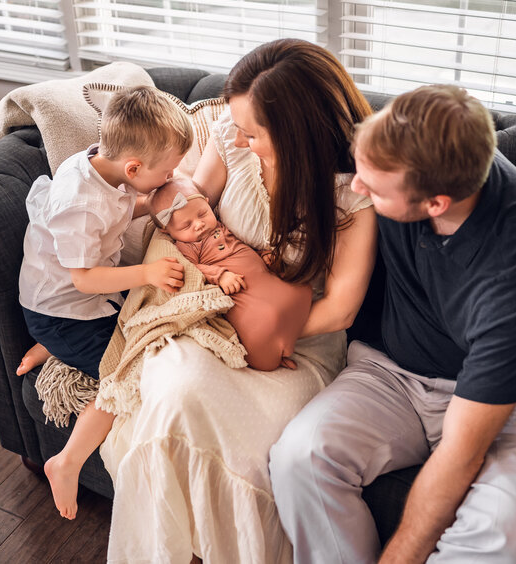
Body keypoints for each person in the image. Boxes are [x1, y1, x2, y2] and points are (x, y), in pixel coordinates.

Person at [99, 39, 377, 563]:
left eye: (254, 132)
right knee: (177, 390)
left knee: (219, 420)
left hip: (296, 344)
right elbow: (183, 210)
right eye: (238, 126)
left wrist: (266, 329)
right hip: (216, 320)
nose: (240, 139)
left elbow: (340, 309)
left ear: (300, 132)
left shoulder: (351, 195)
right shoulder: (230, 140)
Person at [269, 84, 516, 563]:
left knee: (510, 535)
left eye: (374, 188)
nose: (357, 189)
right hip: (390, 374)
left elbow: (462, 452)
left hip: (508, 403)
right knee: (298, 458)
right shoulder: (394, 147)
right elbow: (289, 106)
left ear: (435, 204)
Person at [16, 85, 193, 520]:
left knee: (135, 323)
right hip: (63, 308)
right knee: (122, 373)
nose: (170, 177)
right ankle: (68, 460)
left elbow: (118, 210)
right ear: (133, 167)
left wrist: (150, 204)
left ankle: (53, 347)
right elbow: (84, 277)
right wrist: (148, 273)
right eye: (167, 172)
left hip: (76, 304)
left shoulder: (104, 167)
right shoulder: (80, 203)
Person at [147, 176, 312, 371]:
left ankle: (283, 342)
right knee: (264, 321)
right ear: (167, 231)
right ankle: (273, 351)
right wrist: (220, 275)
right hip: (241, 291)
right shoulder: (187, 246)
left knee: (301, 290)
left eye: (202, 214)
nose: (198, 224)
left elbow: (244, 244)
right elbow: (190, 270)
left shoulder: (222, 225)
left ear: (208, 203)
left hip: (262, 277)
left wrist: (264, 257)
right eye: (186, 225)